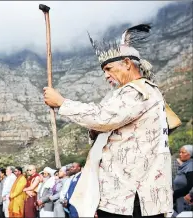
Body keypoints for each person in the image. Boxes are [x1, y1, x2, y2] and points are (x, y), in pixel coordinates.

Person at [43, 24, 181, 217]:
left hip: (131, 197)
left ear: (126, 63)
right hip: (129, 196)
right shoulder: (146, 91)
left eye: (108, 68)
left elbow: (102, 117)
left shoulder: (136, 91)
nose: (106, 75)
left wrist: (62, 103)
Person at [173, 145, 193, 216]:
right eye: (180, 152)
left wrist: (174, 194)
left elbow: (190, 186)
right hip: (179, 201)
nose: (180, 154)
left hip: (186, 202)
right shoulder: (185, 166)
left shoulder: (190, 166)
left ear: (189, 154)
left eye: (183, 152)